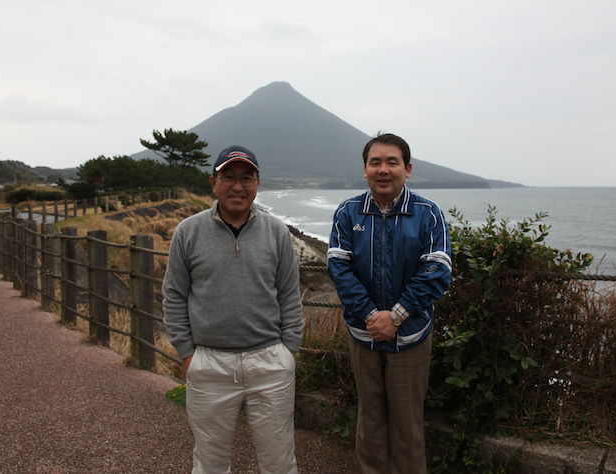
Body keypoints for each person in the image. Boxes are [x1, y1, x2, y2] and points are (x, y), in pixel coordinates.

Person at [162, 145, 305, 474]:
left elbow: (289, 294)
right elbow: (173, 294)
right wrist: (187, 354)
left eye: (246, 178)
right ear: (213, 182)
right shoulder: (188, 231)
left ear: (257, 183)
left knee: (280, 463)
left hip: (270, 362)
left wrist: (288, 351)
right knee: (210, 463)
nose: (238, 186)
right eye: (229, 177)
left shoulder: (276, 232)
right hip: (209, 363)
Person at [327, 133, 452, 474]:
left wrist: (396, 315)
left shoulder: (428, 213)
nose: (383, 170)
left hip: (411, 333)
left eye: (392, 162)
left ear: (407, 169)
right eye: (375, 162)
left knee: (408, 422)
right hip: (363, 333)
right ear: (365, 169)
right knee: (369, 417)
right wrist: (372, 316)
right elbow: (339, 267)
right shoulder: (348, 212)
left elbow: (438, 269)